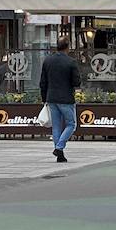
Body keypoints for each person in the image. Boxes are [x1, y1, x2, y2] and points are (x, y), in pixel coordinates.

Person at [40, 35, 82, 163]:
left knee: (56, 126)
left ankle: (60, 154)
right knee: (71, 124)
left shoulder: (48, 61)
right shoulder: (71, 62)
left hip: (51, 97)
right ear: (68, 47)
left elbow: (43, 82)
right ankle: (59, 147)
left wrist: (44, 98)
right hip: (66, 98)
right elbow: (76, 82)